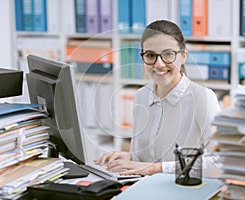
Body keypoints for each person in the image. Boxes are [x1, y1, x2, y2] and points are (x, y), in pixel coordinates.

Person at [95, 20, 221, 178]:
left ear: (183, 56)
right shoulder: (141, 96)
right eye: (150, 55)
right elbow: (145, 160)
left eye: (168, 54)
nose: (159, 64)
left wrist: (156, 168)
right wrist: (130, 158)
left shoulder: (203, 97)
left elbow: (221, 162)